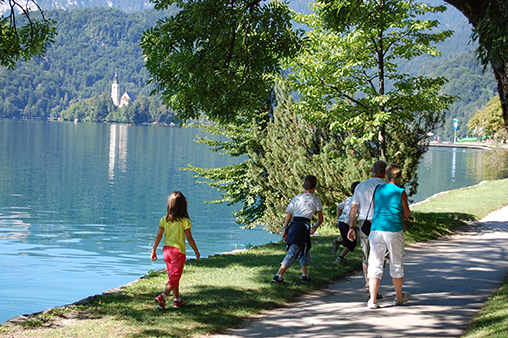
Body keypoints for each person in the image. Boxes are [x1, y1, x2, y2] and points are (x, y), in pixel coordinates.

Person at [367, 163, 411, 309]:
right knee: (396, 262)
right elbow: (406, 213)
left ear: (386, 176)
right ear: (399, 177)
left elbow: (375, 207)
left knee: (375, 263)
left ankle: (372, 300)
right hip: (394, 229)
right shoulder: (400, 192)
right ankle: (399, 297)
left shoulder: (378, 189)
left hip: (377, 229)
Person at [151, 191, 200, 309]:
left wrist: (154, 249)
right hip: (177, 252)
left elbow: (158, 236)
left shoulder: (164, 220)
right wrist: (196, 251)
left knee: (173, 276)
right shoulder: (184, 221)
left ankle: (177, 300)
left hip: (166, 252)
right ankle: (163, 296)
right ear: (183, 206)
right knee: (174, 277)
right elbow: (190, 239)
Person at [272, 175, 324, 285]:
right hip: (304, 227)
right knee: (294, 251)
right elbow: (320, 219)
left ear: (303, 186)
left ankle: (305, 275)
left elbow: (288, 215)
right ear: (315, 188)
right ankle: (278, 275)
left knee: (304, 249)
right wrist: (315, 226)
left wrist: (285, 229)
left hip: (294, 225)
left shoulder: (296, 198)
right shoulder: (316, 200)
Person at [347, 160, 387, 294]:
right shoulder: (387, 186)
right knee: (379, 255)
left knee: (366, 254)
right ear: (385, 173)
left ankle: (368, 282)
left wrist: (351, 227)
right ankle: (374, 286)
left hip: (364, 221)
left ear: (372, 170)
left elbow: (354, 208)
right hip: (381, 221)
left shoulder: (361, 186)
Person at [331, 181, 361, 264]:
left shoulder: (348, 199)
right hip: (348, 223)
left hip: (341, 221)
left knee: (347, 240)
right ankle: (340, 257)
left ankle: (338, 242)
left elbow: (338, 207)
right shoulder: (359, 201)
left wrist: (338, 218)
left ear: (351, 192)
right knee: (352, 243)